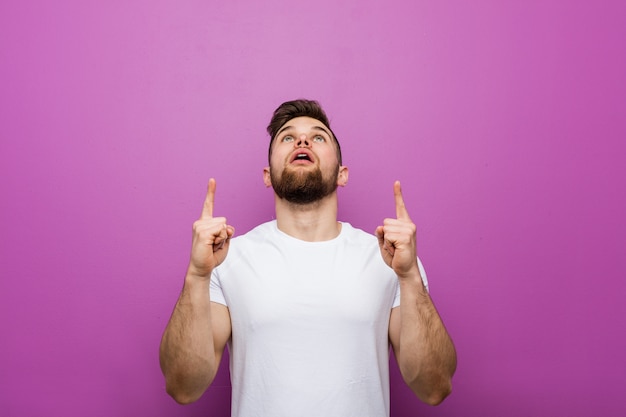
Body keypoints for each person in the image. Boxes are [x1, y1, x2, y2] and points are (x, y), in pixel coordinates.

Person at [159, 99, 457, 416]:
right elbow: (184, 387)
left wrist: (410, 277)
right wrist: (196, 276)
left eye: (318, 137)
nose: (302, 141)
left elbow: (434, 386)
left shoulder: (390, 258)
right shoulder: (227, 259)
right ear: (267, 174)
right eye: (288, 137)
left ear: (342, 174)